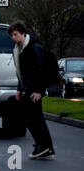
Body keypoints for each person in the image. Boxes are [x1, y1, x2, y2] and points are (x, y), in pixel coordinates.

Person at [7, 21, 55, 159]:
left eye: (15, 34)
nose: (13, 38)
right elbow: (21, 72)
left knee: (35, 118)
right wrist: (19, 89)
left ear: (23, 33)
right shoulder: (19, 48)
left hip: (35, 89)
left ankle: (45, 146)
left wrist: (39, 90)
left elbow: (40, 70)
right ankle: (42, 145)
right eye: (11, 35)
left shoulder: (33, 47)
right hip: (28, 88)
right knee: (31, 118)